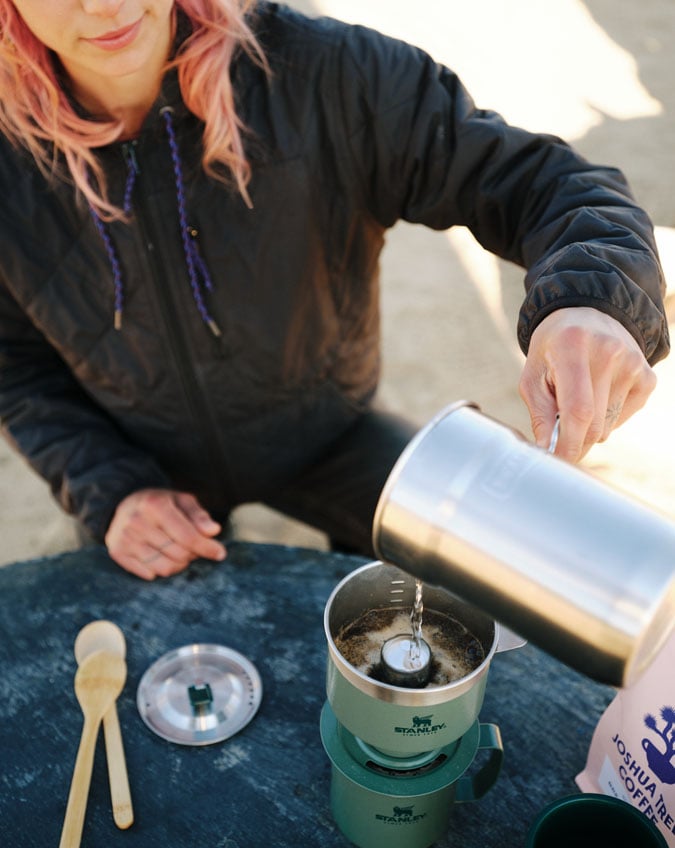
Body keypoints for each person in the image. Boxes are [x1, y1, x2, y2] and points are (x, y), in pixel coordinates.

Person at [0, 1, 669, 581]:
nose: (104, 6)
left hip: (329, 428)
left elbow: (547, 184)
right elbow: (14, 367)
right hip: (138, 458)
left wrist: (592, 298)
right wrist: (110, 488)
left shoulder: (324, 76)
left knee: (487, 576)